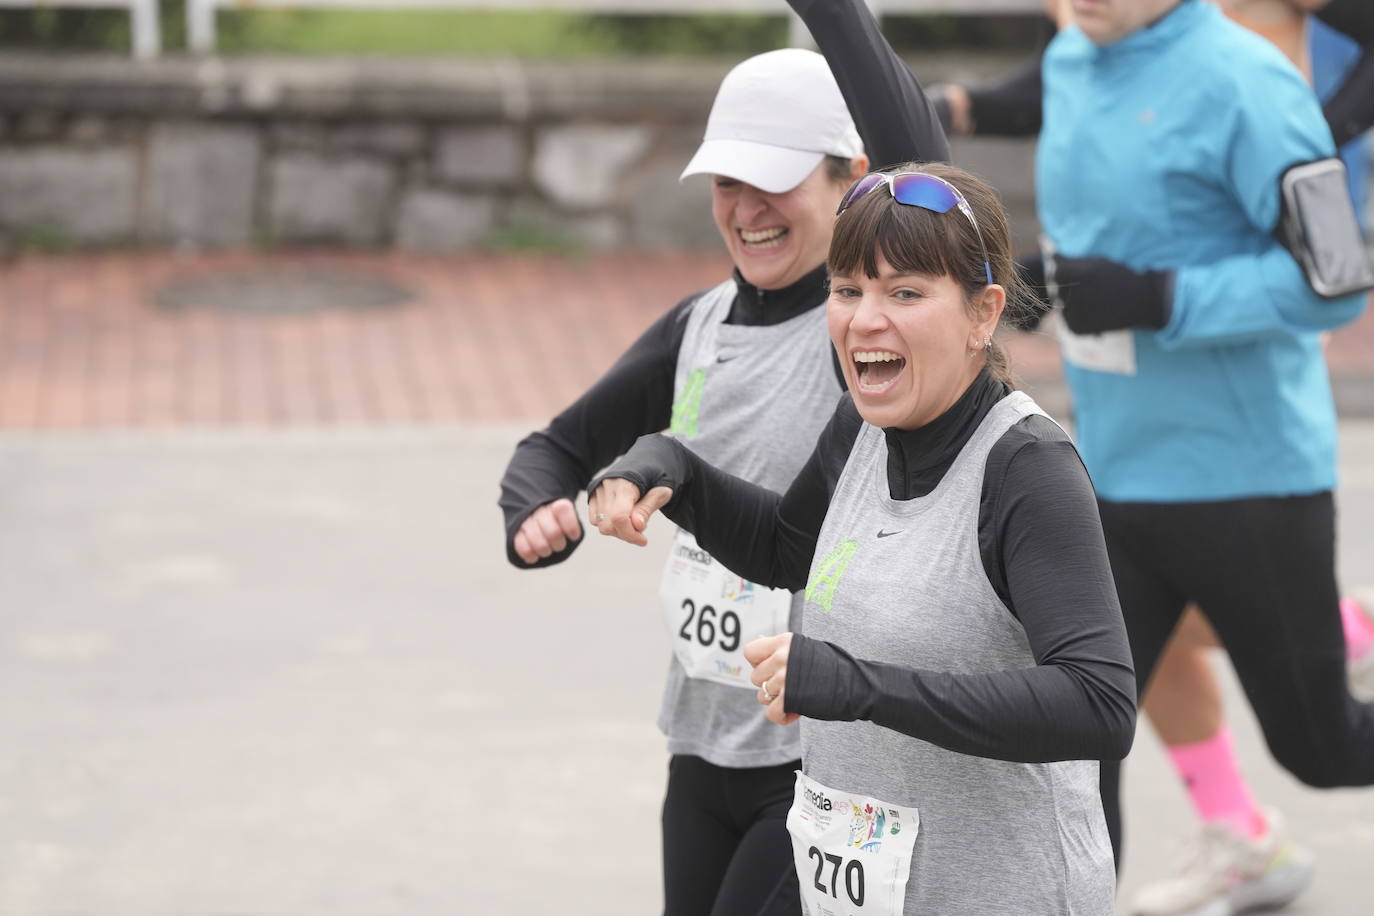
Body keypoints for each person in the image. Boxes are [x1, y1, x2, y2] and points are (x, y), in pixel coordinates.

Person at [586, 161, 1137, 914]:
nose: (864, 319)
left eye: (905, 292)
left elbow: (1098, 705)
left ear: (984, 314)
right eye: (848, 290)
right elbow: (785, 548)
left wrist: (859, 686)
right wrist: (674, 467)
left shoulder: (1027, 471)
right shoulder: (864, 428)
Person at [496, 2, 948, 910]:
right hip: (703, 742)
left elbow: (922, 161)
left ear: (853, 182)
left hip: (821, 754)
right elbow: (557, 446)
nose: (744, 211)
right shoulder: (700, 323)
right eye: (725, 183)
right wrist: (537, 507)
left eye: (772, 182)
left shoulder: (863, 327)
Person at [1032, 0, 1372, 912]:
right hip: (1108, 467)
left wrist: (1159, 294)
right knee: (1075, 745)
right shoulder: (1071, 60)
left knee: (1322, 746)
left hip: (1245, 482)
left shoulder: (1250, 82)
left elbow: (1337, 279)